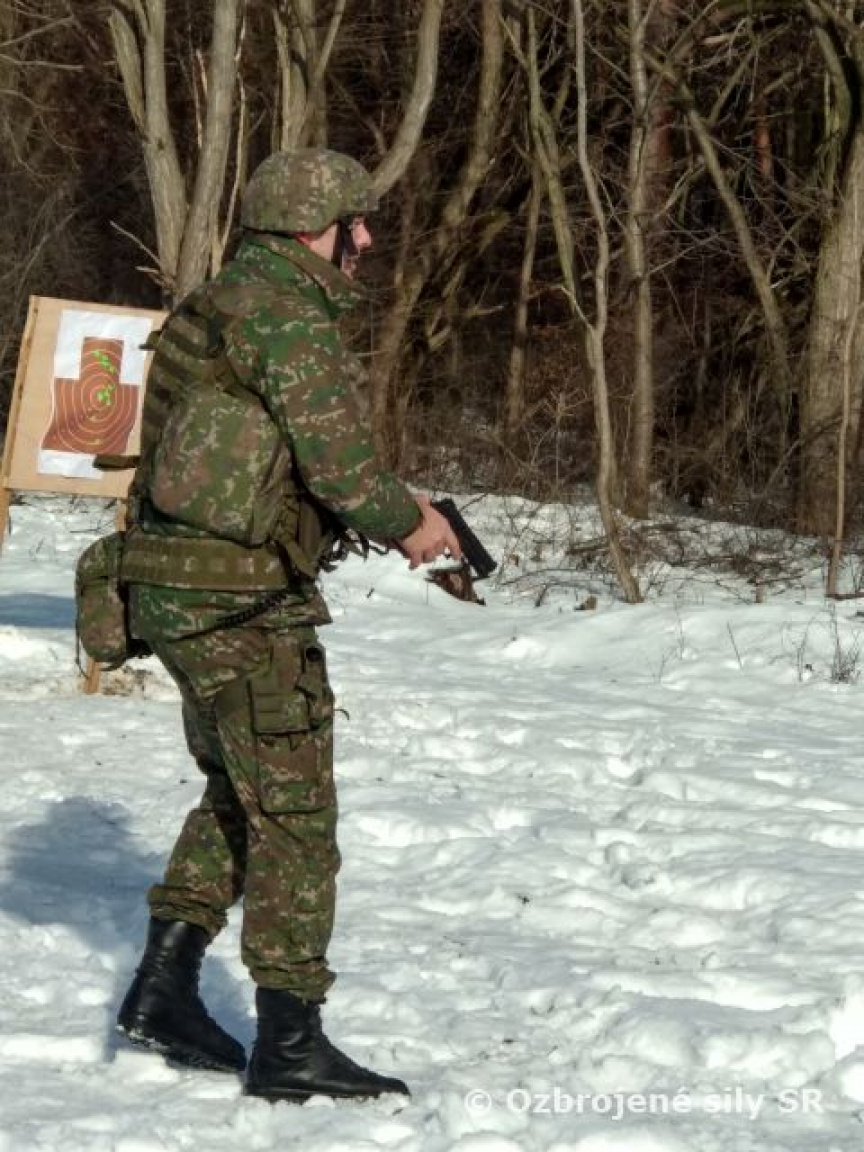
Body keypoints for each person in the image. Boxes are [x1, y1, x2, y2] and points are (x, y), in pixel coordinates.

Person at [115, 147, 461, 1102]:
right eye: (357, 222)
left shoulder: (218, 304)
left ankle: (163, 990)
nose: (368, 240)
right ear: (319, 228)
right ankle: (290, 1042)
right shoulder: (288, 319)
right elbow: (341, 470)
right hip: (240, 606)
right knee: (298, 820)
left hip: (172, 589)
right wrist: (411, 525)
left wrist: (384, 501)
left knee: (241, 790)